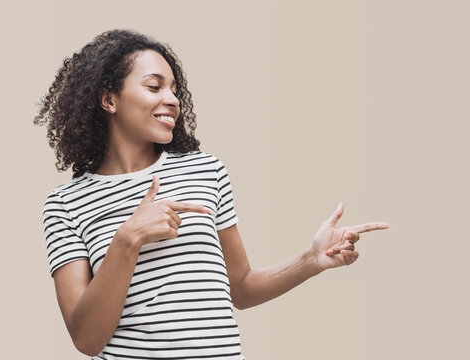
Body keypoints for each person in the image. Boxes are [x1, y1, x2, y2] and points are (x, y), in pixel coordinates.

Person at [34, 29, 390, 360]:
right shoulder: (66, 203)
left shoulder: (205, 171)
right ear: (109, 100)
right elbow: (86, 338)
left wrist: (310, 260)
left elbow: (241, 287)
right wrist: (127, 240)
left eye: (174, 89)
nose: (172, 100)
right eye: (154, 87)